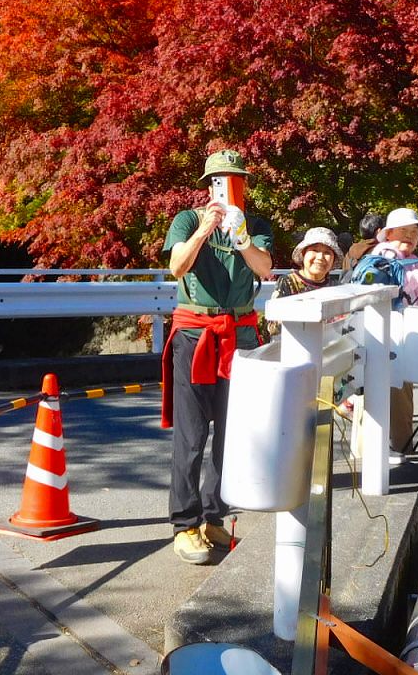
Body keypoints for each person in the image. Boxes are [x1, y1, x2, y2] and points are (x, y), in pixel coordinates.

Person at [161, 150, 273, 565]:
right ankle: (184, 525)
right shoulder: (187, 220)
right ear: (208, 186)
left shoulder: (256, 226)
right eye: (220, 181)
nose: (227, 187)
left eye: (235, 180)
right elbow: (176, 266)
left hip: (239, 334)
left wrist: (241, 237)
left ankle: (213, 516)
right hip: (195, 333)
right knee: (191, 436)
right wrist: (206, 228)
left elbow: (264, 269)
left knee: (231, 434)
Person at [367, 207, 418, 454]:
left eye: (413, 232)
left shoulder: (415, 262)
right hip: (387, 338)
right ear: (389, 233)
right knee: (395, 397)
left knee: (403, 396)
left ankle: (400, 450)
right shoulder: (381, 257)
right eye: (403, 230)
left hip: (408, 336)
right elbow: (392, 283)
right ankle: (399, 452)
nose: (409, 236)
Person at [266, 227, 343, 335]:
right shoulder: (288, 282)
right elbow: (273, 327)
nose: (320, 257)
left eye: (327, 252)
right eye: (315, 250)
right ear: (303, 254)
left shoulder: (336, 288)